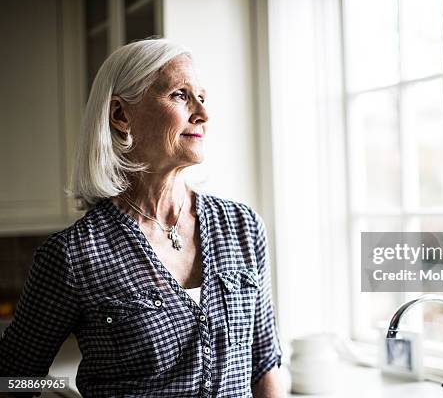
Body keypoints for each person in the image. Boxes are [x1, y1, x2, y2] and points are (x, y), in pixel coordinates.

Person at [0, 39, 284, 397]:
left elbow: (265, 367)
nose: (202, 113)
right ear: (121, 115)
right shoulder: (74, 256)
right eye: (180, 95)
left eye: (202, 97)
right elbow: (12, 380)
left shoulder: (243, 227)